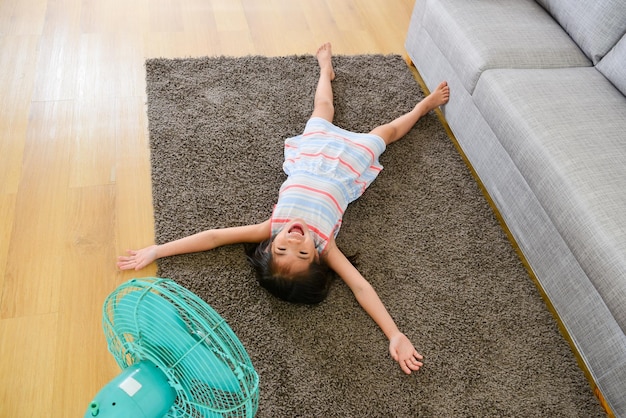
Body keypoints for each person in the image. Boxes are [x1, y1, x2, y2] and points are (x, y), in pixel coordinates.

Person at [118, 43, 450, 375]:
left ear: (269, 244)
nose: (294, 240)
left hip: (312, 153)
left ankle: (325, 70)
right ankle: (423, 107)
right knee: (386, 133)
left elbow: (215, 237)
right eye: (303, 254)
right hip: (347, 165)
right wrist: (394, 334)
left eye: (281, 248)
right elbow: (361, 287)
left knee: (322, 105)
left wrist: (158, 249)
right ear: (317, 259)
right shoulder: (326, 244)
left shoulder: (273, 226)